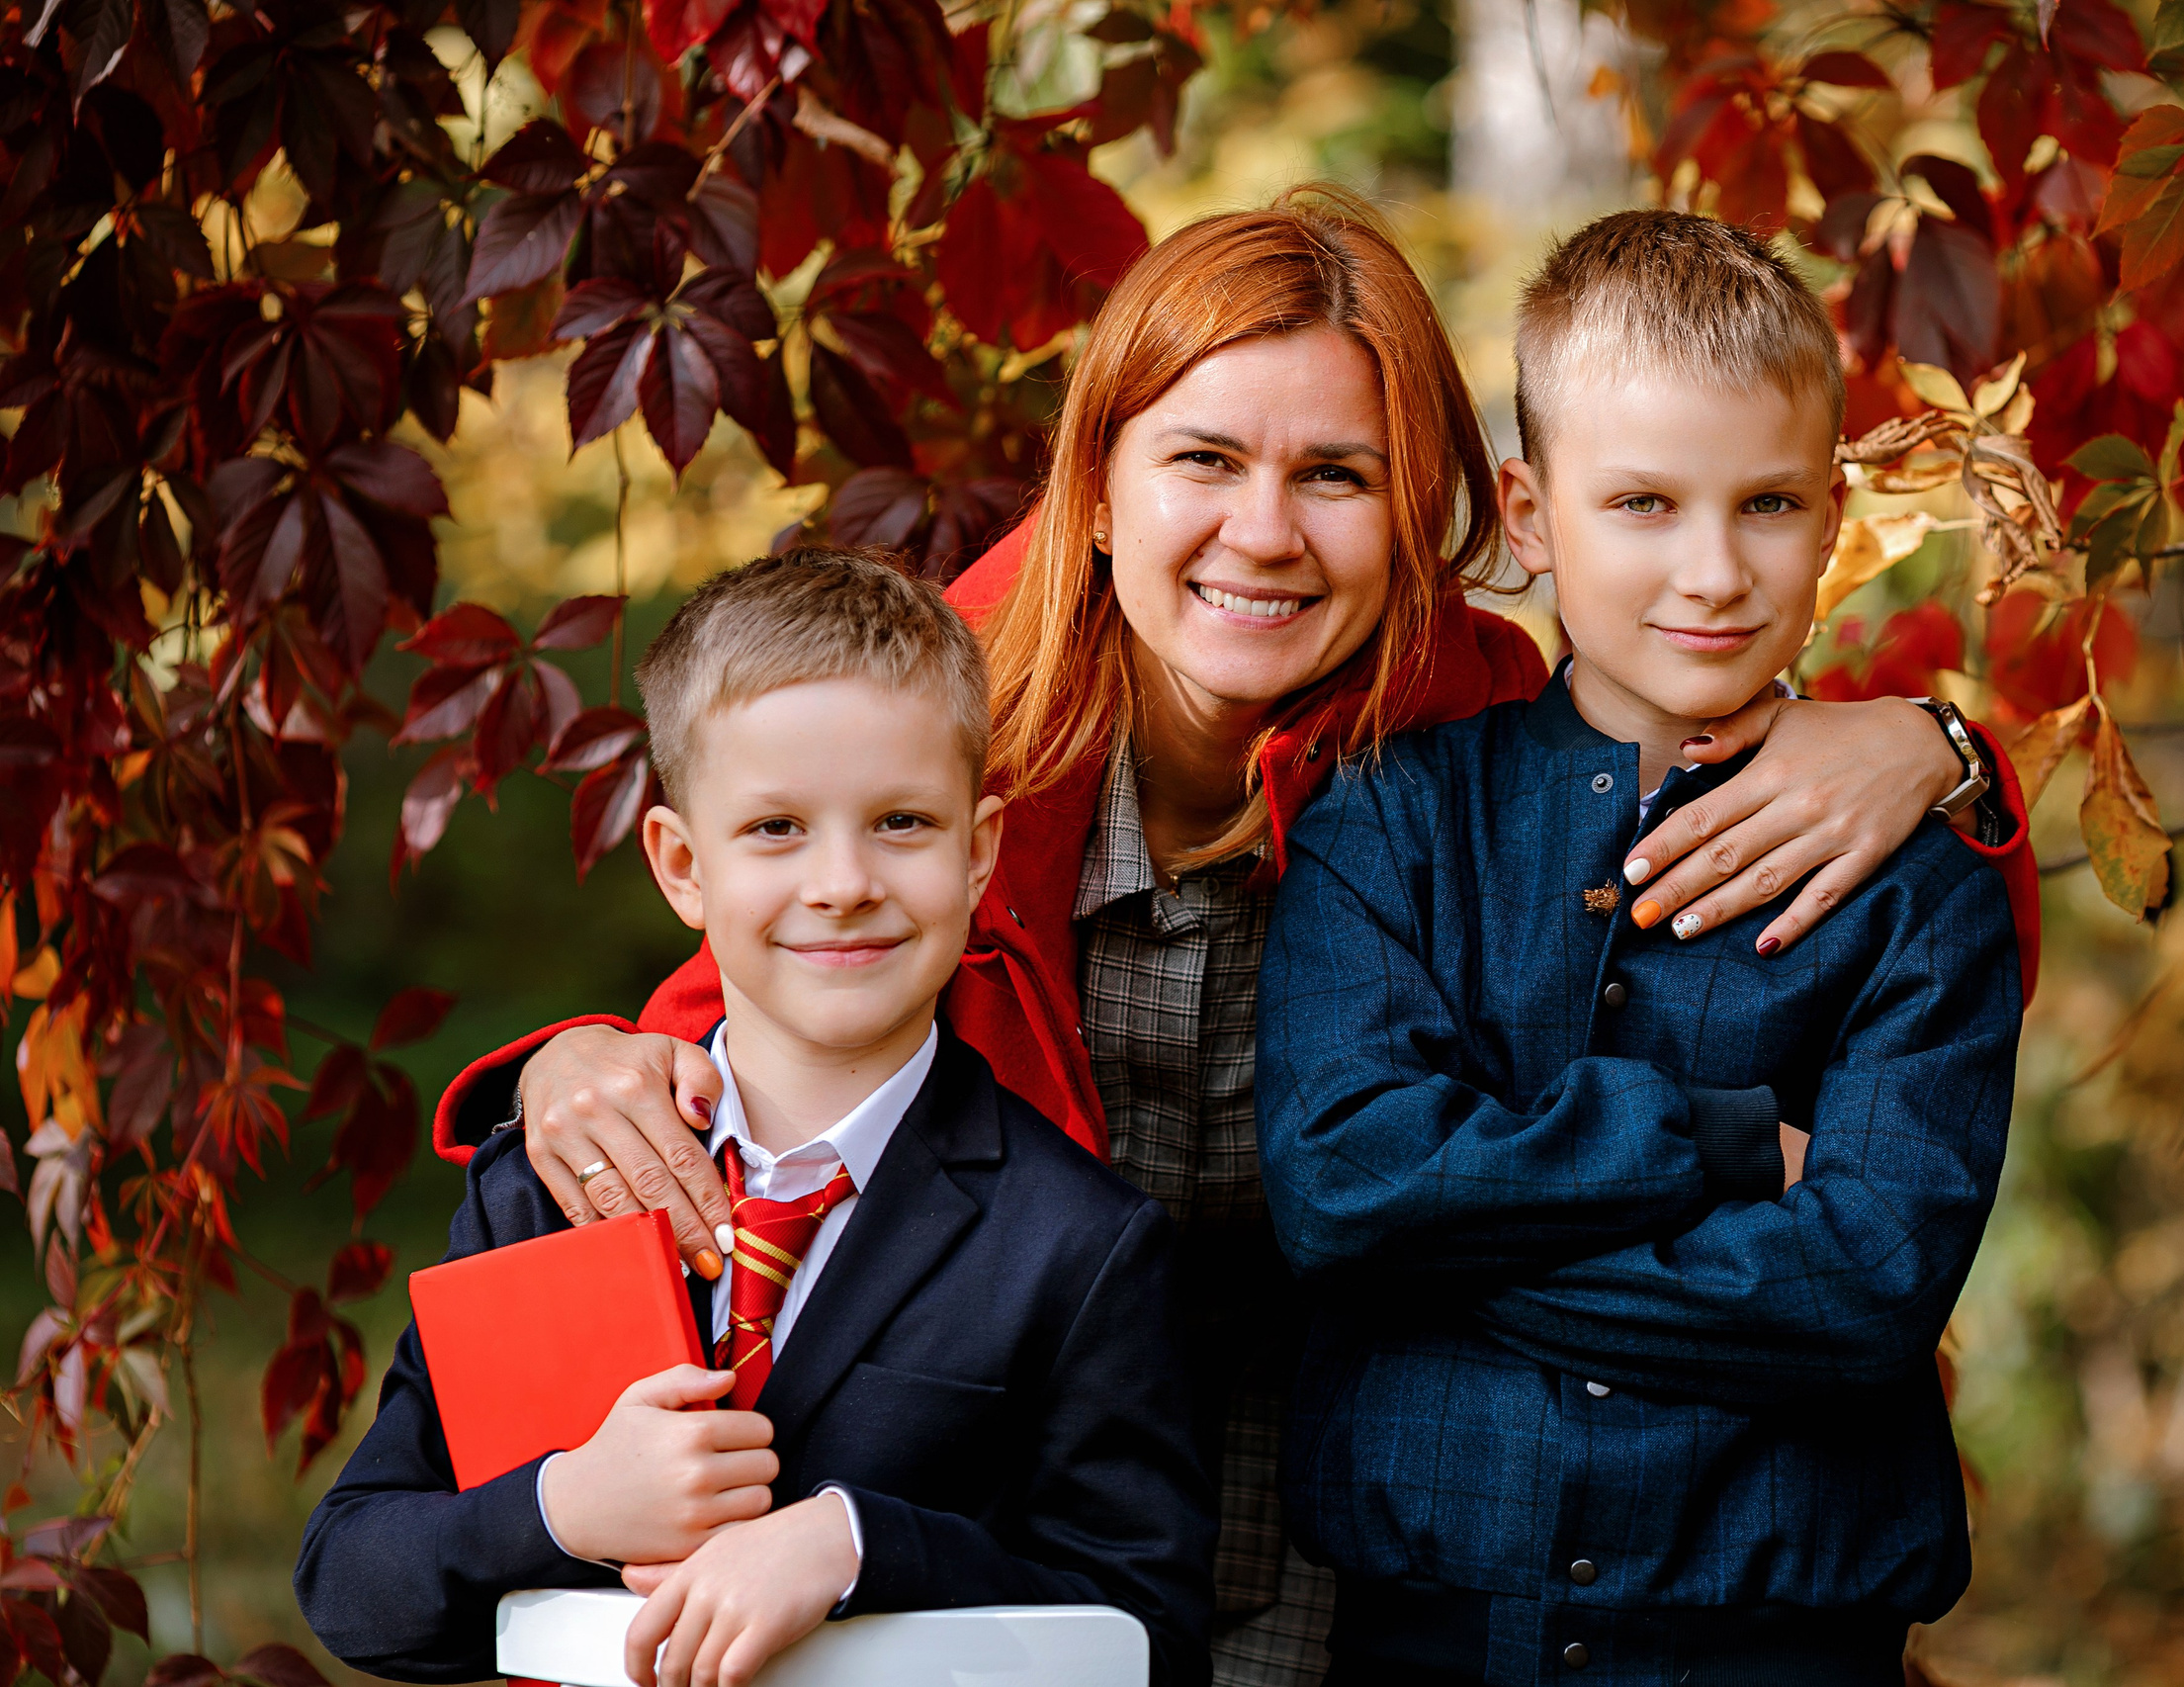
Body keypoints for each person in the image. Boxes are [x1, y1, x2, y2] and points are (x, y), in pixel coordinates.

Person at [425, 188, 2037, 1687]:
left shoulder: (1452, 716)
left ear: (1417, 507)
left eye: (1333, 475)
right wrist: (575, 1061)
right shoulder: (952, 740)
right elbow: (749, 999)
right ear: (1103, 484)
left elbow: (1871, 924)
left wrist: (1938, 746)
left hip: (1360, 1533)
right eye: (1203, 460)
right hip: (985, 1534)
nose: (1263, 534)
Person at [1254, 212, 2027, 1687]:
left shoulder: (1921, 881)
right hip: (1426, 1644)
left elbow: (1866, 1287)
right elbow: (1345, 1179)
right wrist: (1726, 1144)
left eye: (1770, 505)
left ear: (1835, 513)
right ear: (1534, 515)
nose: (1717, 571)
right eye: (1646, 504)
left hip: (1780, 1646)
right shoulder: (1391, 821)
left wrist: (1440, 1256)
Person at [296, 552, 1214, 1687]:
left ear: (978, 853)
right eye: (776, 827)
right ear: (683, 865)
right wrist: (565, 1504)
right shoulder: (542, 1187)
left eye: (901, 822)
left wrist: (858, 1544)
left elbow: (1147, 1641)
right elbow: (350, 1584)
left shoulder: (1078, 1244)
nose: (842, 880)